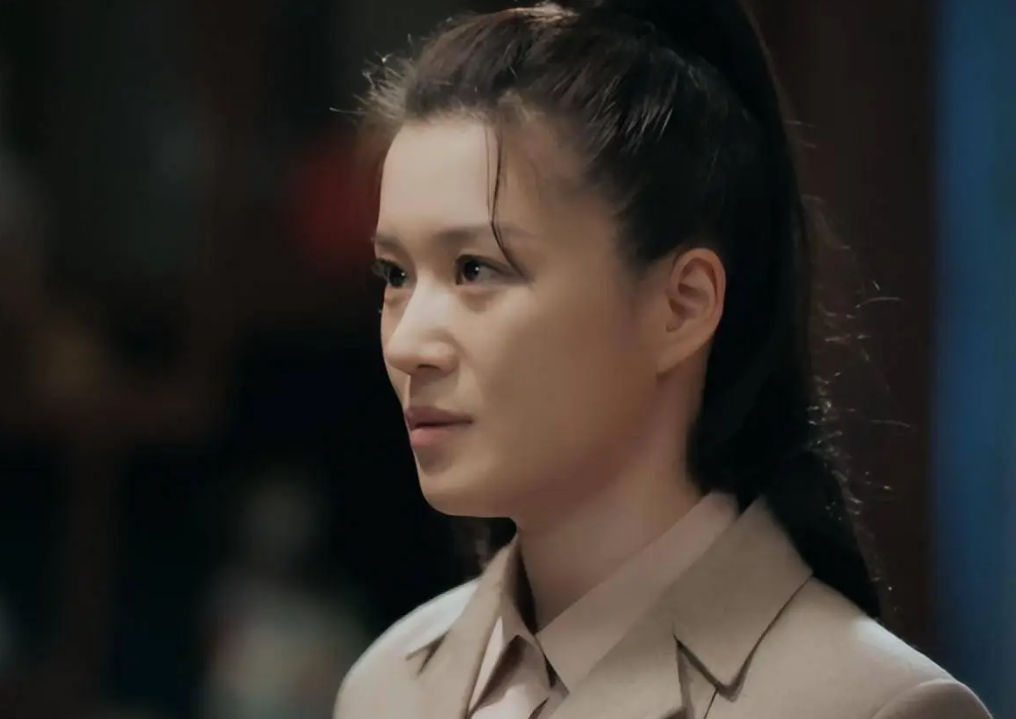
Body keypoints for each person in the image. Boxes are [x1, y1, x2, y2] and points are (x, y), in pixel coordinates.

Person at [335, 1, 992, 717]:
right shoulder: (386, 686)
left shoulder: (875, 705)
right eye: (395, 275)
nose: (407, 344)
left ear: (682, 304)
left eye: (476, 268)